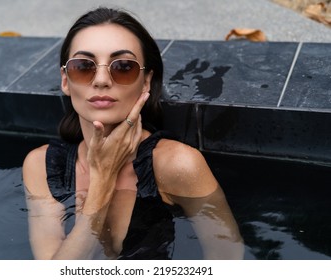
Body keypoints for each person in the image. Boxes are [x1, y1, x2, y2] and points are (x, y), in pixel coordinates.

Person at [22, 7, 244, 260]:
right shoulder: (40, 166)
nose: (102, 80)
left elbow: (227, 258)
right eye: (84, 66)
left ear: (146, 81)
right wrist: (102, 180)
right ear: (65, 80)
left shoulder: (178, 165)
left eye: (123, 66)